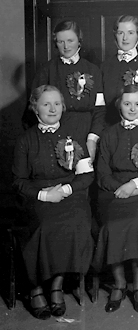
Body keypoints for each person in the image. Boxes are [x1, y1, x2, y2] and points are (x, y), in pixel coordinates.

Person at [13, 85, 94, 320]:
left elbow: (86, 175)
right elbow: (18, 181)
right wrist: (45, 195)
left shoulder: (74, 136)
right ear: (35, 107)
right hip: (37, 196)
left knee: (75, 222)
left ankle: (57, 285)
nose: (52, 109)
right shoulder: (25, 140)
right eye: (46, 104)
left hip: (70, 194)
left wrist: (66, 190)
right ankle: (36, 288)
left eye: (57, 104)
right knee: (44, 226)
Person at [94, 84, 138, 314]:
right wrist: (121, 188)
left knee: (137, 223)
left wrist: (133, 185)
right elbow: (102, 174)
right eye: (127, 104)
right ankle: (119, 283)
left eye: (137, 104)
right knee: (114, 224)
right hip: (114, 192)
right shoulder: (109, 134)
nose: (132, 108)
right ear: (119, 105)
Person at [29, 20, 105, 158]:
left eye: (70, 40)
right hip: (55, 136)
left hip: (86, 134)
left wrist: (92, 139)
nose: (66, 46)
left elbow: (99, 110)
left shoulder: (93, 70)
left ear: (79, 40)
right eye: (60, 41)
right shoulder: (46, 71)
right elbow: (34, 108)